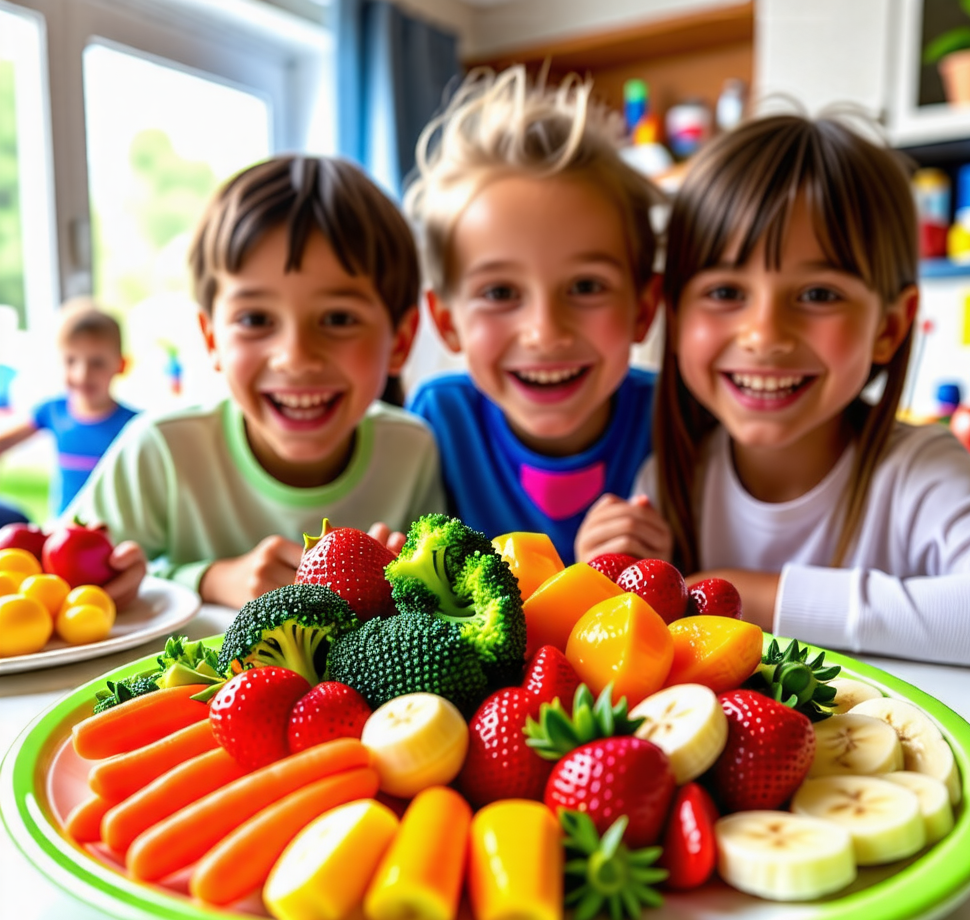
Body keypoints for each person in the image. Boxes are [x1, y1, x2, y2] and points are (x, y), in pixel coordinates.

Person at [576, 113, 970, 671]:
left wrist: (757, 595)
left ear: (889, 327)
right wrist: (612, 586)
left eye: (817, 293)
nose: (765, 335)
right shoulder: (668, 483)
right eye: (724, 291)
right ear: (674, 310)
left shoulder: (917, 471)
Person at [68, 155, 444, 610]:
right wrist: (210, 579)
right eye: (256, 319)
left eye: (338, 318)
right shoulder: (160, 451)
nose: (296, 358)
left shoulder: (412, 451)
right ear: (212, 339)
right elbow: (56, 580)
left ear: (401, 340)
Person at [403, 65, 663, 565]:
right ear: (446, 321)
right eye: (500, 292)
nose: (545, 332)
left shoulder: (671, 419)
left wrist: (661, 562)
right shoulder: (438, 423)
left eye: (586, 287)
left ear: (643, 309)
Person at [0, 300, 137, 515]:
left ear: (122, 365)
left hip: (112, 536)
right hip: (62, 533)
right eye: (71, 361)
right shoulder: (52, 411)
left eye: (97, 362)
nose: (82, 374)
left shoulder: (135, 425)